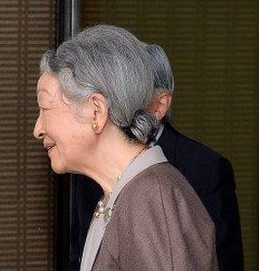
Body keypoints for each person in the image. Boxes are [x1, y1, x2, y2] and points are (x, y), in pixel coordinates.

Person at [34, 25, 217, 270]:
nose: (37, 129)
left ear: (96, 111)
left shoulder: (152, 197)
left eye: (45, 108)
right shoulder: (121, 192)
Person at [70, 44, 243, 270]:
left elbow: (225, 261)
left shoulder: (205, 167)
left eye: (131, 92)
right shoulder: (89, 162)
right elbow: (79, 254)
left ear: (160, 105)